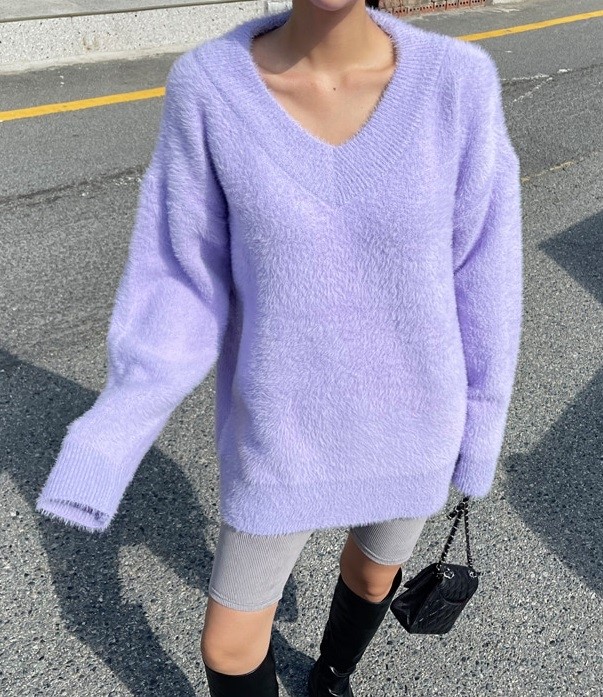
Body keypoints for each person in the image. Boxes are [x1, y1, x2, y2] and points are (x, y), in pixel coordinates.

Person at [35, 0, 523, 695]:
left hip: (414, 422)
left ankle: (332, 675)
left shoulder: (456, 82)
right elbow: (180, 281)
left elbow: (485, 276)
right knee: (229, 644)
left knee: (372, 574)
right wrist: (106, 443)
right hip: (280, 432)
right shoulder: (211, 87)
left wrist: (479, 433)